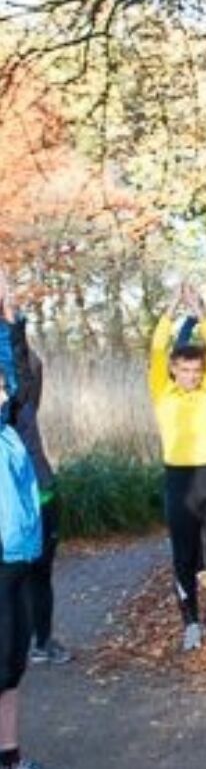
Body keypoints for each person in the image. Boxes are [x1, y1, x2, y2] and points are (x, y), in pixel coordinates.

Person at [0, 292, 61, 769]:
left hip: (16, 554)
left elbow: (20, 379)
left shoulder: (10, 431)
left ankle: (10, 760)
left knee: (12, 661)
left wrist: (11, 322)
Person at [149, 282, 206, 651]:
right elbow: (157, 347)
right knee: (183, 555)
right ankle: (191, 624)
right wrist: (172, 307)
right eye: (184, 370)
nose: (191, 376)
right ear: (173, 370)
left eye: (196, 370)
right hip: (179, 481)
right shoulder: (162, 392)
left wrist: (199, 311)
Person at [0, 274, 65, 665]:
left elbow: (25, 373)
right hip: (12, 499)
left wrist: (12, 322)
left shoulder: (21, 396)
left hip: (39, 488)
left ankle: (41, 641)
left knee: (38, 570)